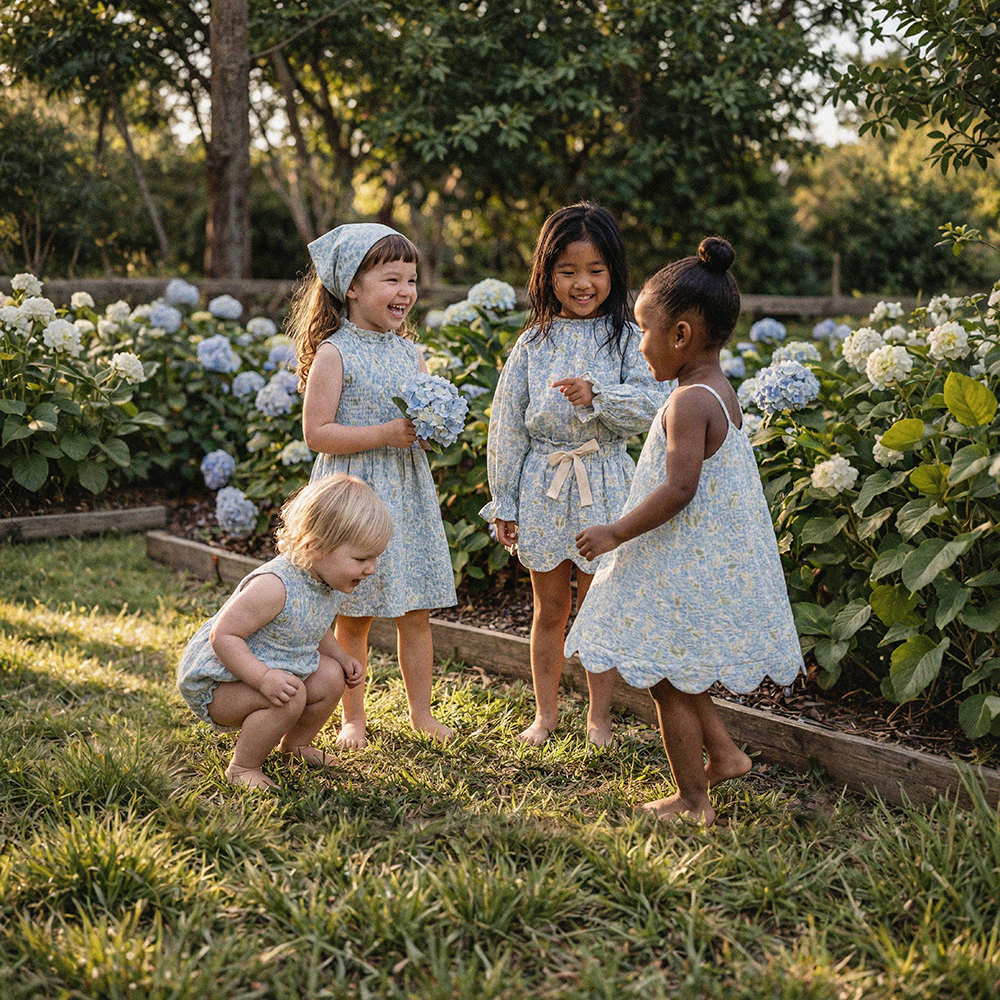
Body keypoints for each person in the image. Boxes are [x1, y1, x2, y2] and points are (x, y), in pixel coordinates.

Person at [564, 237, 804, 823]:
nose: (639, 344)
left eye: (645, 331)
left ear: (680, 335)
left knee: (667, 682)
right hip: (699, 556)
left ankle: (692, 801)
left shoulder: (688, 403)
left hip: (681, 561)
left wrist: (616, 531)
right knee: (680, 669)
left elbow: (678, 489)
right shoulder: (718, 392)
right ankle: (724, 755)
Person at [480, 202, 667, 746]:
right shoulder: (534, 342)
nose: (582, 283)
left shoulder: (628, 338)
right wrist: (505, 502)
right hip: (544, 483)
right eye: (567, 271)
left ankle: (599, 718)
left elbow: (655, 402)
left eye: (595, 270)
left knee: (598, 604)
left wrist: (599, 395)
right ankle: (545, 715)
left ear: (614, 272)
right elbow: (507, 425)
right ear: (546, 273)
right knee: (550, 607)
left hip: (605, 480)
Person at [291, 223, 458, 749]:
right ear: (352, 287)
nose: (405, 291)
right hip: (353, 494)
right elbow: (316, 432)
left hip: (405, 494)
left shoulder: (409, 353)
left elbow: (419, 422)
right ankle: (352, 719)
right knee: (354, 615)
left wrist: (431, 430)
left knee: (415, 610)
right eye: (391, 279)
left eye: (411, 280)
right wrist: (385, 433)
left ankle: (422, 714)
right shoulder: (334, 354)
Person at [177, 474, 393, 790]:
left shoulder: (323, 580)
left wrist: (340, 657)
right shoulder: (273, 587)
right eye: (361, 558)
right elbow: (223, 636)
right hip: (220, 682)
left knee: (331, 676)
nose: (371, 568)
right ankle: (242, 767)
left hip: (271, 672)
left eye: (375, 557)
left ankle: (296, 746)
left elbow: (313, 624)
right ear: (316, 546)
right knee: (291, 697)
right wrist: (263, 678)